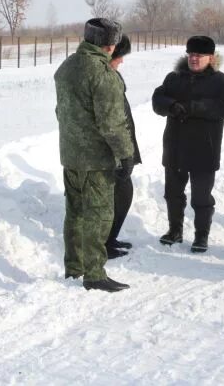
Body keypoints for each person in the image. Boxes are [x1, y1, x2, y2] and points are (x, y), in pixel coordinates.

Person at [54, 18, 135, 293]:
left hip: (70, 155)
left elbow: (60, 112)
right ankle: (95, 274)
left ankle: (74, 267)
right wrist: (126, 155)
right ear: (111, 45)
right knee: (98, 216)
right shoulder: (103, 74)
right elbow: (111, 123)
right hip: (97, 160)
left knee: (74, 213)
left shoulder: (66, 68)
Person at [152, 35, 224, 253]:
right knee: (173, 193)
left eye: (199, 55)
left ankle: (201, 235)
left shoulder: (221, 81)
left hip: (204, 149)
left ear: (211, 57)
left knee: (201, 197)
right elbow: (157, 99)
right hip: (175, 147)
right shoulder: (174, 78)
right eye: (190, 54)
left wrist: (193, 107)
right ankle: (175, 230)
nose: (194, 59)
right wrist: (171, 106)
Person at [105, 34, 141, 259]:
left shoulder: (112, 76)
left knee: (122, 193)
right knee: (120, 194)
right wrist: (123, 154)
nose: (121, 61)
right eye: (119, 56)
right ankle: (105, 242)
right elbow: (111, 122)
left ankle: (109, 239)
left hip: (121, 147)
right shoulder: (104, 80)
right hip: (112, 150)